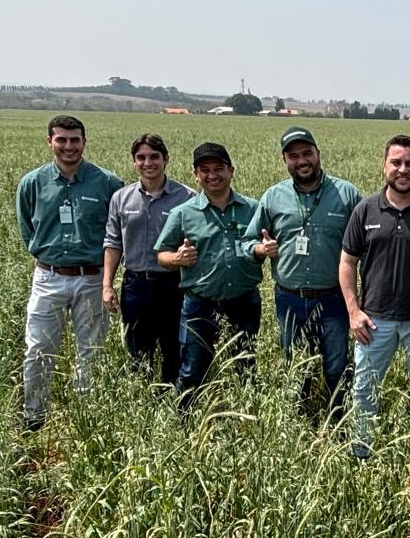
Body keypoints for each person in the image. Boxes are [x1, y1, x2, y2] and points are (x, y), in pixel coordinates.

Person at [15, 115, 123, 430]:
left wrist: (107, 277)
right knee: (38, 347)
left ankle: (86, 416)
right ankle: (34, 415)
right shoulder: (33, 182)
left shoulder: (106, 182)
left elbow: (117, 231)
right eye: (61, 139)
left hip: (92, 278)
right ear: (49, 141)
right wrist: (46, 256)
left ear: (84, 142)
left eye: (75, 140)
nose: (68, 146)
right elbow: (28, 229)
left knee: (91, 348)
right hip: (48, 277)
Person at [244, 127, 360, 420]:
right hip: (290, 300)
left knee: (336, 367)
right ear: (285, 160)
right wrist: (261, 249)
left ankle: (339, 423)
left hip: (334, 299)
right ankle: (301, 424)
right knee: (297, 368)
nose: (302, 161)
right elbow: (248, 243)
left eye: (307, 153)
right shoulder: (273, 197)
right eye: (293, 156)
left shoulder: (346, 194)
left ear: (318, 154)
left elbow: (365, 245)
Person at [340, 135, 410, 455]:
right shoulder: (365, 210)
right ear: (384, 165)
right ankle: (362, 451)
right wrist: (353, 311)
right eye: (396, 163)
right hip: (374, 321)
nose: (403, 170)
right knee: (364, 389)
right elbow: (347, 262)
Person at [155, 143, 263, 408]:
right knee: (192, 368)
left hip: (244, 302)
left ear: (231, 171)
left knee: (245, 367)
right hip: (199, 303)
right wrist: (177, 259)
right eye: (205, 170)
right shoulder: (183, 213)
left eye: (219, 169)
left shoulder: (254, 209)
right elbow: (161, 255)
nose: (212, 175)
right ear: (195, 175)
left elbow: (266, 244)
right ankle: (185, 422)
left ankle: (246, 423)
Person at [102, 133, 194, 385]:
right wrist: (107, 285)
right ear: (133, 162)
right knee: (137, 350)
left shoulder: (186, 198)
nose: (148, 163)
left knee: (174, 347)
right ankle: (142, 399)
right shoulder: (121, 198)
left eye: (154, 157)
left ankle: (172, 401)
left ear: (166, 159)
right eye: (141, 158)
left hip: (173, 284)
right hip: (135, 284)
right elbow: (112, 243)